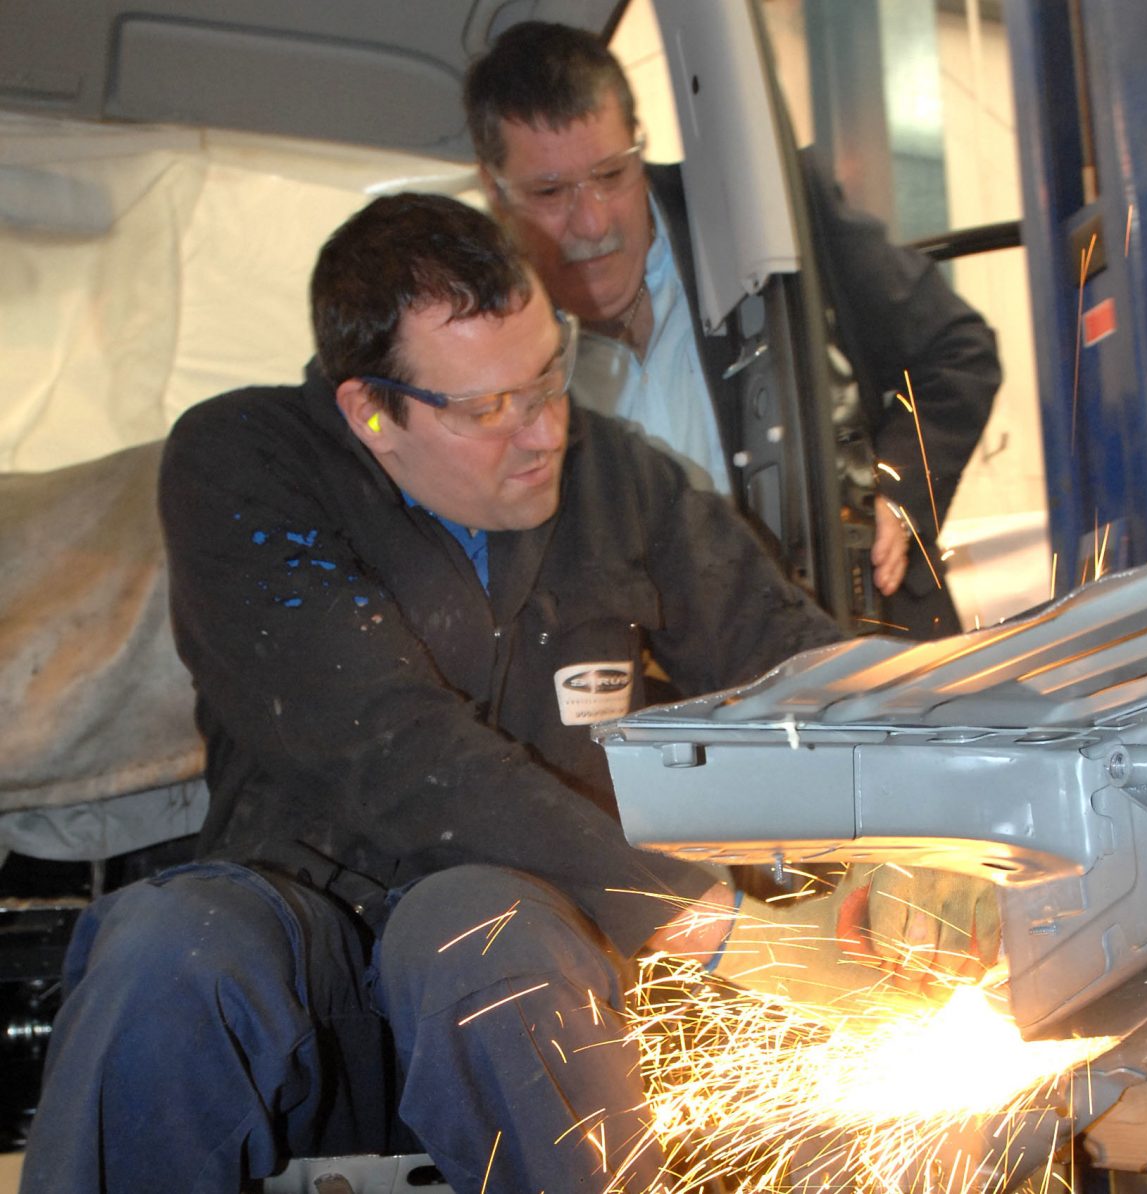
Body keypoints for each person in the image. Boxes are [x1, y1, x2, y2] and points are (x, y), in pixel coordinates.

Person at [18, 193, 848, 1194]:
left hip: (534, 984)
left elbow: (796, 669)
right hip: (308, 985)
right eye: (489, 409)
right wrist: (714, 928)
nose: (543, 432)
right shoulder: (247, 463)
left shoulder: (623, 481)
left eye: (549, 376)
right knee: (165, 949)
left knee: (480, 928)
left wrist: (940, 784)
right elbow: (390, 748)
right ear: (371, 412)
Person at [464, 22, 1003, 641]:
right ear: (494, 190)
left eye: (612, 176)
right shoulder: (486, 326)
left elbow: (957, 353)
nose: (592, 222)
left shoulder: (767, 218)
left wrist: (897, 495)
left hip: (860, 648)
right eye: (551, 192)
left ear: (639, 146)